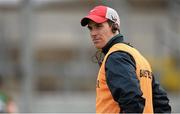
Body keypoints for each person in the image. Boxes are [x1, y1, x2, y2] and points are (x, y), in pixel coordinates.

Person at [80, 5, 171, 113]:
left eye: (98, 26)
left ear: (114, 26)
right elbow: (161, 102)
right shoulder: (136, 55)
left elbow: (132, 100)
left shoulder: (116, 57)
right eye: (90, 28)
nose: (93, 33)